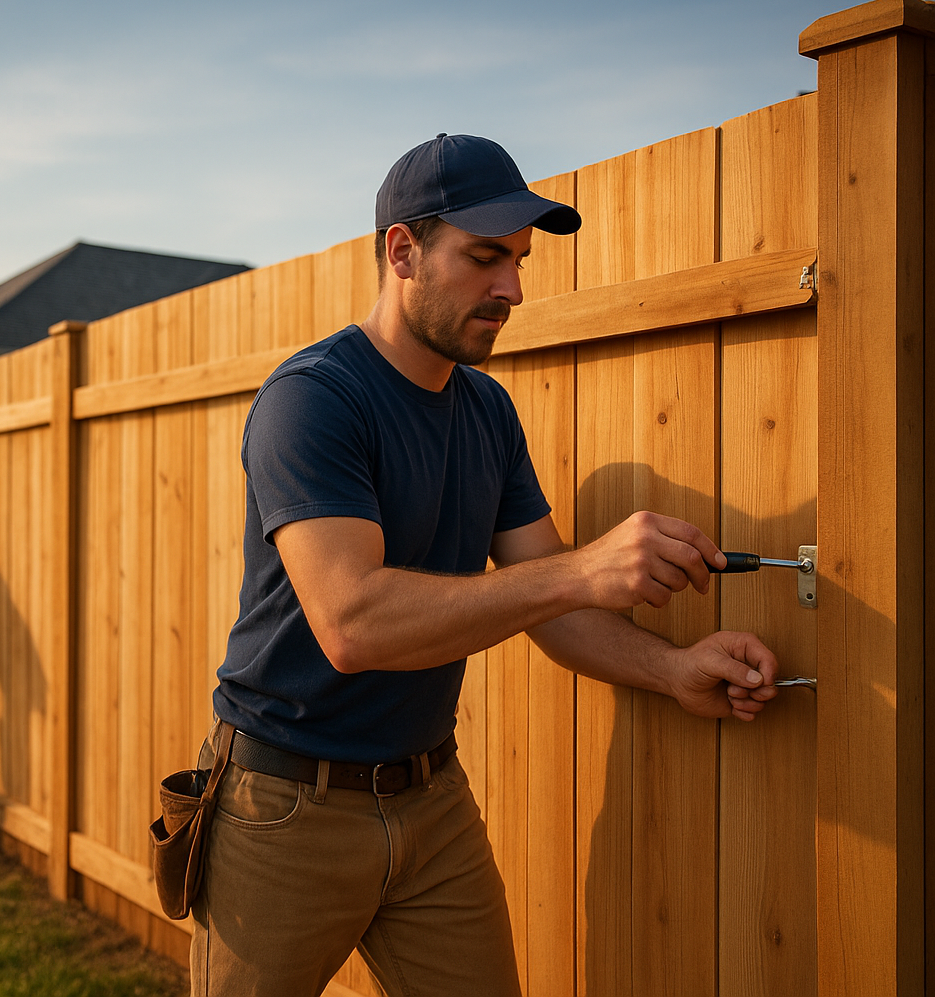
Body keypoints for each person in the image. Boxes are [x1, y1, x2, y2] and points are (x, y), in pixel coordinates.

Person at [191, 134, 782, 997]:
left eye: (518, 260)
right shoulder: (314, 399)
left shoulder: (488, 413)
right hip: (283, 805)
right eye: (483, 258)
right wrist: (581, 571)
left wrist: (675, 668)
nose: (512, 288)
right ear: (403, 250)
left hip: (431, 801)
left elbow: (557, 607)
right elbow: (352, 624)